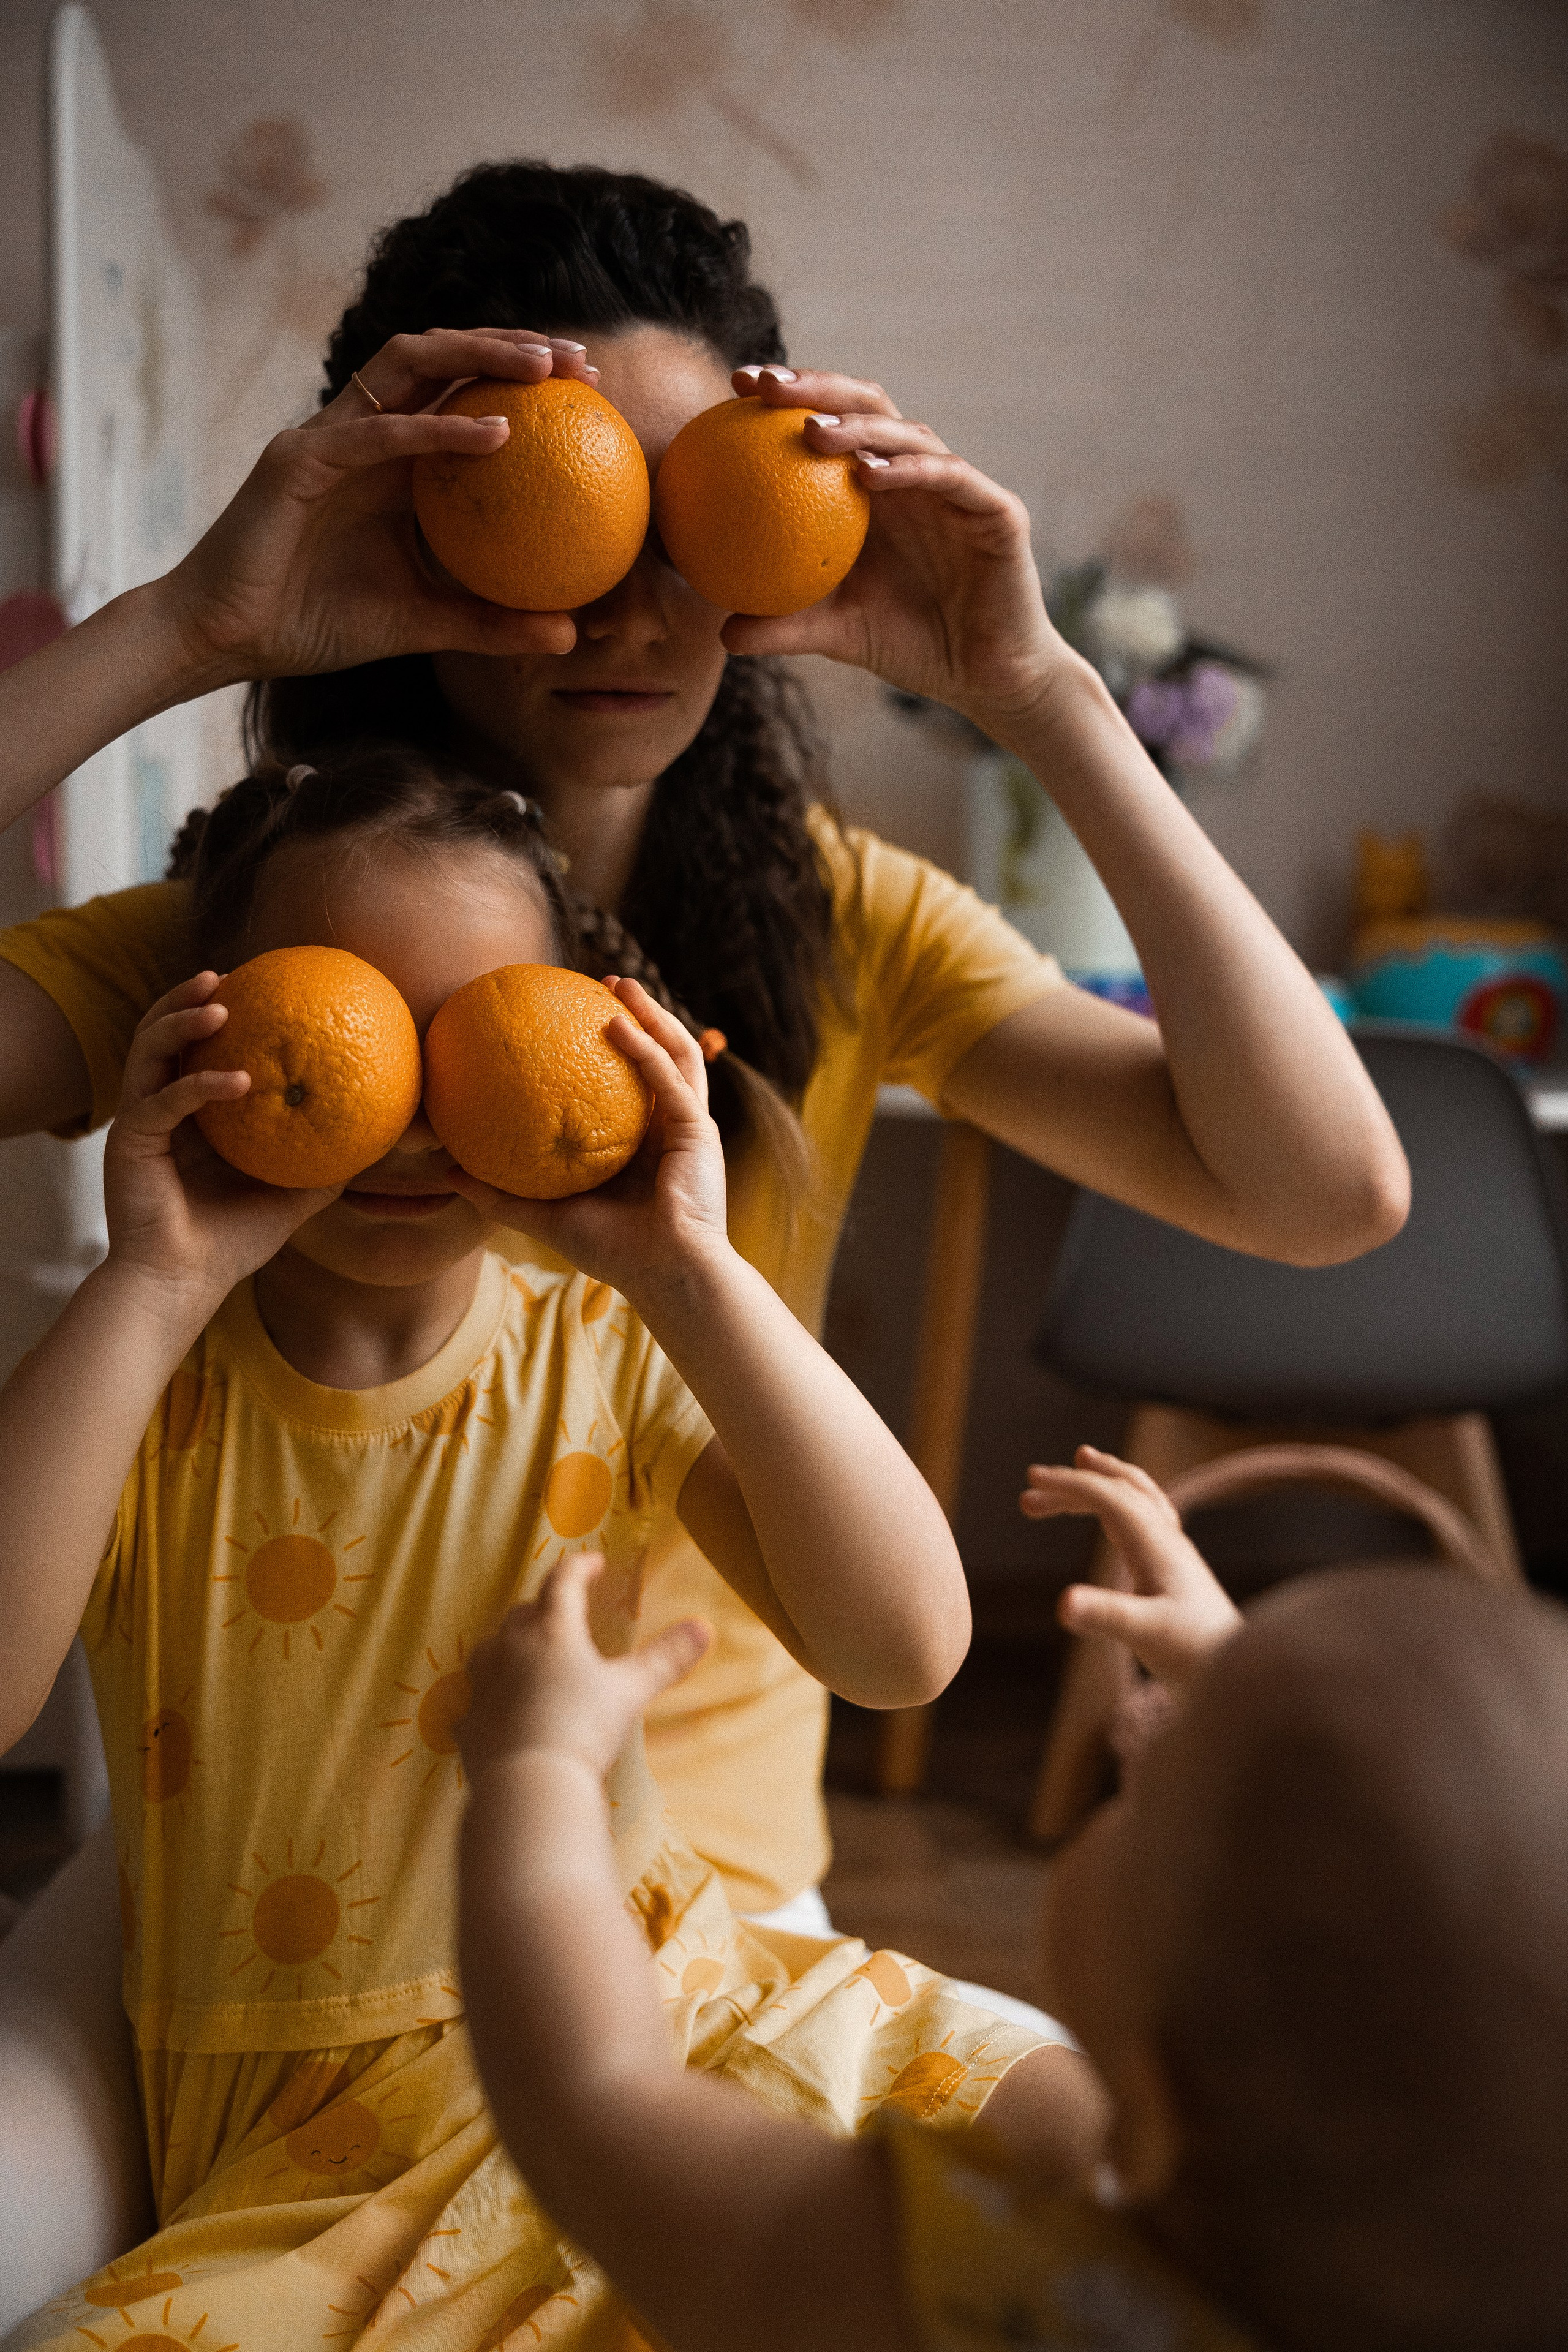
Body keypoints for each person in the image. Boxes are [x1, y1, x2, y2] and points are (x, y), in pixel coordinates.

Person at [0, 160, 1406, 2291]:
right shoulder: (240, 985)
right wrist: (194, 625)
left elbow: (1331, 1192)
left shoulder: (833, 938)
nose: (634, 609)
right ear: (427, 521)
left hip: (702, 1915)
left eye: (700, 531)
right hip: (288, 1911)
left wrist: (1037, 693)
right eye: (571, 518)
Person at [1, 748, 1105, 2350]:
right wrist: (151, 1282)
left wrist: (697, 1277)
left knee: (1055, 2150)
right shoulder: (138, 1375)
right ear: (208, 1024)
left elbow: (903, 1647)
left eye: (477, 1039)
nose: (408, 1110)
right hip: (310, 2165)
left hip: (661, 2026)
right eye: (350, 1022)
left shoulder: (603, 1342)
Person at [453, 1447, 1568, 2352]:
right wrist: (1234, 1688)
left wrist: (537, 1769)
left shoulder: (963, 2298)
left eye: (1143, 1803)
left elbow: (593, 2098)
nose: (1139, 1750)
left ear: (1151, 2110)